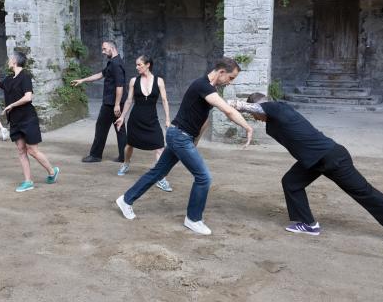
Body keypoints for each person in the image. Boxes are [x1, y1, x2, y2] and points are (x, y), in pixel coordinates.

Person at [228, 93, 383, 248]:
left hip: (332, 157)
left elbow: (259, 108)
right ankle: (308, 224)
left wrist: (230, 103)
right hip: (312, 161)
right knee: (291, 182)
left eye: (255, 115)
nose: (256, 119)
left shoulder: (278, 108)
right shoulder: (273, 121)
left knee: (363, 192)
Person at [116, 58, 253, 235]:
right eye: (231, 78)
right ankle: (193, 219)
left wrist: (195, 141)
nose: (230, 82)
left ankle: (126, 200)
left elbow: (204, 119)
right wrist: (248, 128)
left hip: (180, 136)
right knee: (203, 177)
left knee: (158, 172)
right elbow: (228, 110)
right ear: (221, 72)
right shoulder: (203, 85)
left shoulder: (209, 89)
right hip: (179, 136)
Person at [0, 51, 60, 192]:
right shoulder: (9, 79)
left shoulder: (25, 77)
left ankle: (52, 171)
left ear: (14, 61)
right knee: (21, 150)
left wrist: (11, 105)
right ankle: (28, 181)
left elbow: (28, 97)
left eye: (10, 59)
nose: (8, 61)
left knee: (32, 150)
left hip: (28, 119)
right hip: (14, 120)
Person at [114, 55, 173, 192]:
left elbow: (165, 100)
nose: (137, 67)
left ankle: (161, 178)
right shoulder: (134, 81)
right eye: (136, 65)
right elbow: (129, 100)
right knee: (130, 145)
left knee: (160, 147)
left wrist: (167, 118)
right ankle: (126, 163)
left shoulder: (159, 81)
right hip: (136, 119)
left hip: (152, 119)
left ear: (147, 65)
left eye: (139, 64)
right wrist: (122, 117)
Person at [72, 40, 127, 163]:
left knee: (101, 128)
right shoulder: (114, 62)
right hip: (114, 103)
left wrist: (116, 105)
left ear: (112, 48)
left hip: (111, 104)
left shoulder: (116, 64)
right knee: (120, 128)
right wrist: (82, 80)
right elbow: (100, 74)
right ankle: (124, 156)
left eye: (104, 49)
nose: (103, 52)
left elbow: (120, 86)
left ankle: (95, 155)